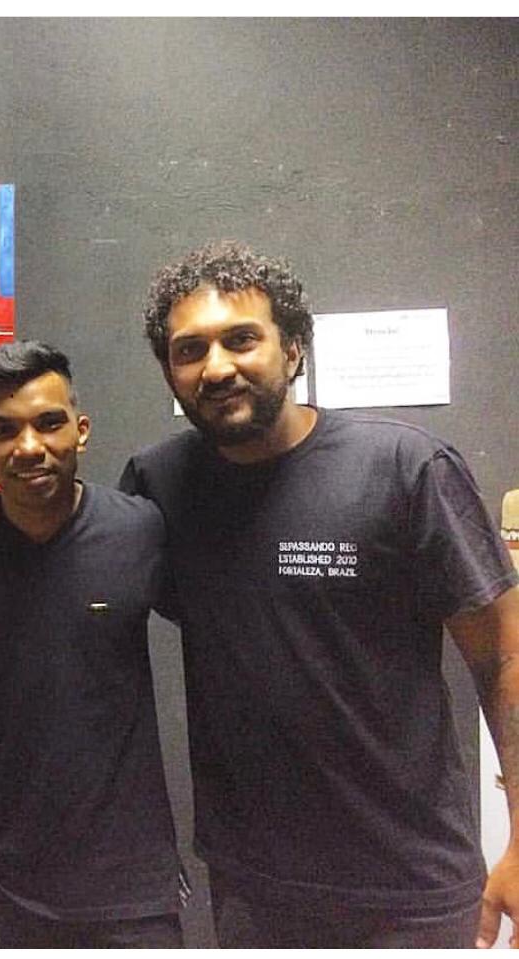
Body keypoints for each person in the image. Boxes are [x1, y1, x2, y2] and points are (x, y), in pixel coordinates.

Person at [119, 240, 519, 948]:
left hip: (410, 885)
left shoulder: (405, 468)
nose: (217, 366)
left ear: (295, 349)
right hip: (251, 888)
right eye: (190, 350)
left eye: (242, 339)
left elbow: (505, 656)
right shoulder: (159, 484)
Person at [0, 340, 186, 948]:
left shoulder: (140, 528)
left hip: (133, 882)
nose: (29, 447)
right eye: (4, 430)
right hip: (8, 877)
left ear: (81, 430)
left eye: (49, 423)